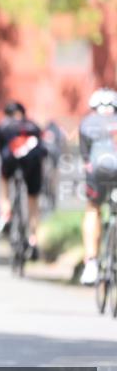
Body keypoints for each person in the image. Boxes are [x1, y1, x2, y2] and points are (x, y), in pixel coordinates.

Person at [0, 100, 45, 260]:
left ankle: (6, 213)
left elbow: (0, 150)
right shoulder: (33, 126)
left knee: (4, 179)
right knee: (33, 200)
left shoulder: (3, 126)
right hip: (32, 164)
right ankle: (33, 239)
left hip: (11, 162)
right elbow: (42, 148)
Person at [78, 88, 117, 285]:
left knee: (93, 208)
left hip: (99, 171)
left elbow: (86, 159)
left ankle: (91, 263)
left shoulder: (87, 123)